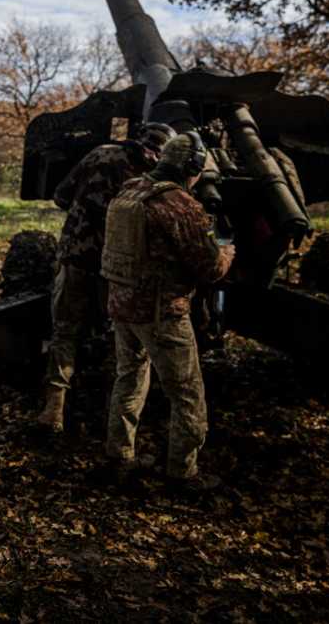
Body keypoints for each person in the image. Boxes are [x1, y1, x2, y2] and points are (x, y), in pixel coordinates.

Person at [100, 131, 235, 488]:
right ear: (191, 167)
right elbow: (210, 270)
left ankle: (120, 455)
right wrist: (226, 252)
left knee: (128, 380)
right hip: (162, 312)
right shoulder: (179, 204)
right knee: (188, 394)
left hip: (121, 305)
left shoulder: (130, 190)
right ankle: (183, 472)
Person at [35, 123, 175, 433]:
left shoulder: (101, 154)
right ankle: (111, 413)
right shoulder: (154, 179)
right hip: (115, 268)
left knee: (65, 331)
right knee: (121, 336)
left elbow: (61, 196)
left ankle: (53, 408)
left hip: (75, 255)